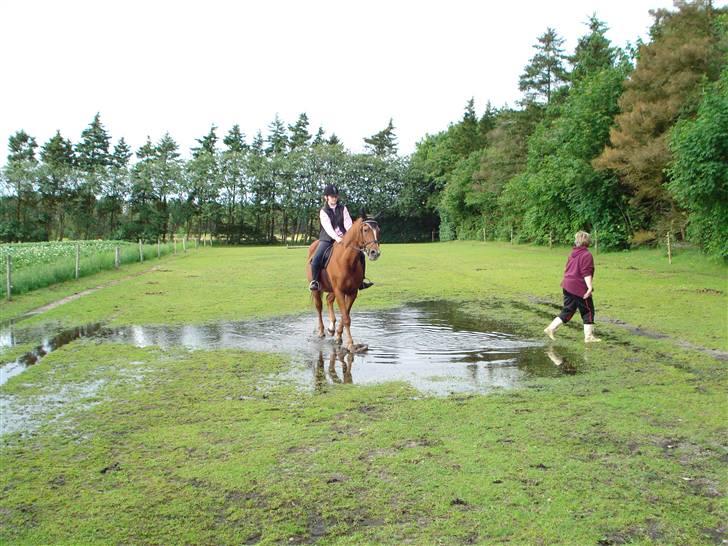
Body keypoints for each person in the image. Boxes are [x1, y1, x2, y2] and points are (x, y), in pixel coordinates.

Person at [309, 184, 373, 291]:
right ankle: (315, 281)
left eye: (335, 196)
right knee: (316, 258)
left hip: (345, 238)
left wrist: (348, 237)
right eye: (331, 196)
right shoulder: (323, 211)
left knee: (360, 255)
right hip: (328, 239)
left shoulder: (343, 209)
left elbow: (348, 224)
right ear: (326, 197)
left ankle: (361, 280)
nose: (334, 198)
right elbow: (328, 228)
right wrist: (338, 238)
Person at [544, 231, 602, 343]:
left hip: (567, 285)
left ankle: (550, 328)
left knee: (568, 309)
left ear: (577, 241)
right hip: (578, 287)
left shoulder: (572, 253)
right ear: (587, 241)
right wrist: (589, 287)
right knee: (588, 311)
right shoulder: (587, 255)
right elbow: (586, 272)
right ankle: (589, 337)